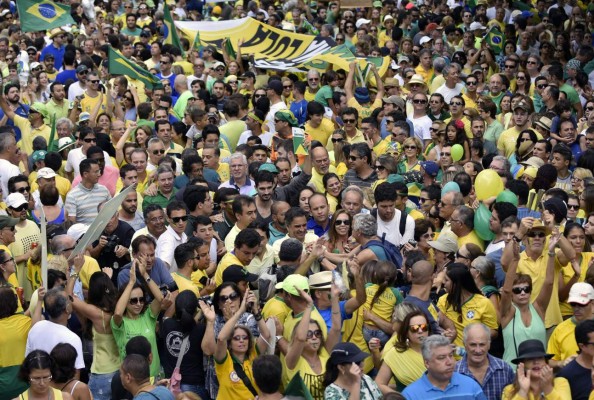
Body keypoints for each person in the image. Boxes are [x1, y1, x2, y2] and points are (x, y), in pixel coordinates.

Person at [207, 287, 270, 399]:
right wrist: (241, 310)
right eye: (236, 338)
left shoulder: (253, 355)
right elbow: (221, 339)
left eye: (245, 338)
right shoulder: (224, 362)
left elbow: (266, 335)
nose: (241, 340)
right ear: (229, 344)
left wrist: (255, 311)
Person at [280, 284, 341, 400]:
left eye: (317, 333)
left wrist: (335, 299)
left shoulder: (325, 353)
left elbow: (337, 328)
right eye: (309, 334)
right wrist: (309, 306)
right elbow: (300, 338)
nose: (314, 337)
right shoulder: (293, 360)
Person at [111, 259, 167, 379]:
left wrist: (145, 274)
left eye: (141, 299)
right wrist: (131, 282)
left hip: (154, 378)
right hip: (131, 381)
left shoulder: (148, 316)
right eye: (133, 300)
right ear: (125, 301)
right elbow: (118, 312)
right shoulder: (120, 323)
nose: (138, 304)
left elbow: (160, 298)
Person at [402, 334, 486, 399]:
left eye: (451, 355)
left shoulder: (471, 386)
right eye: (441, 358)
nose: (450, 362)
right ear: (427, 363)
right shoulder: (410, 395)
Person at [159, 291, 208, 398]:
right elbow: (191, 325)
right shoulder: (201, 329)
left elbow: (171, 316)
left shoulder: (167, 325)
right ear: (196, 309)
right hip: (194, 386)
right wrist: (203, 310)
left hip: (172, 385)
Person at [437, 263, 498, 348]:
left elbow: (494, 331)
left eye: (446, 280)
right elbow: (437, 324)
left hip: (473, 355)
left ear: (457, 283)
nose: (443, 283)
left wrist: (475, 336)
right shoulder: (443, 300)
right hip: (450, 356)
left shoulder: (484, 303)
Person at [376, 309, 431, 393]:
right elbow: (379, 384)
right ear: (406, 332)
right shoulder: (395, 354)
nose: (420, 331)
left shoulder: (439, 350)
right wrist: (400, 397)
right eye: (414, 328)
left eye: (424, 327)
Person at [454, 323, 514, 400]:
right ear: (464, 345)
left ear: (489, 345)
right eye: (473, 345)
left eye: (482, 344)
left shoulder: (504, 369)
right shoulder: (454, 372)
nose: (478, 350)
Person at [502, 339, 570, 399]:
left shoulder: (560, 383)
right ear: (522, 365)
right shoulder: (509, 390)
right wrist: (522, 392)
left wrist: (548, 388)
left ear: (546, 362)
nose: (536, 362)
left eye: (540, 358)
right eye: (530, 359)